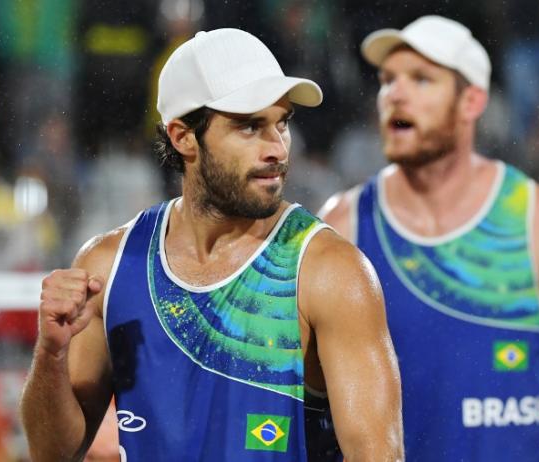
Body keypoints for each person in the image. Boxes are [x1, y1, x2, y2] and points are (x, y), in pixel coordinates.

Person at [20, 28, 403, 462]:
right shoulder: (109, 266)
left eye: (282, 123)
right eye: (249, 127)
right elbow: (51, 452)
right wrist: (51, 353)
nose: (277, 148)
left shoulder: (330, 271)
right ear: (183, 136)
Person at [319, 15, 539, 461]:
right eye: (386, 80)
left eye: (421, 79)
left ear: (471, 101)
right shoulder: (346, 224)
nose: (394, 94)